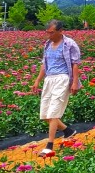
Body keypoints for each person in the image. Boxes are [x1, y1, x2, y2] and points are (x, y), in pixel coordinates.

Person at [31, 20, 82, 157]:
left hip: (62, 78)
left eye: (52, 33)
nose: (49, 35)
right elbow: (44, 64)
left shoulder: (69, 44)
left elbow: (75, 64)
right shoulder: (47, 45)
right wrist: (37, 80)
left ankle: (49, 145)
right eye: (47, 32)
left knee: (53, 114)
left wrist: (75, 82)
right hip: (49, 79)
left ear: (60, 31)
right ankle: (68, 131)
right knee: (45, 115)